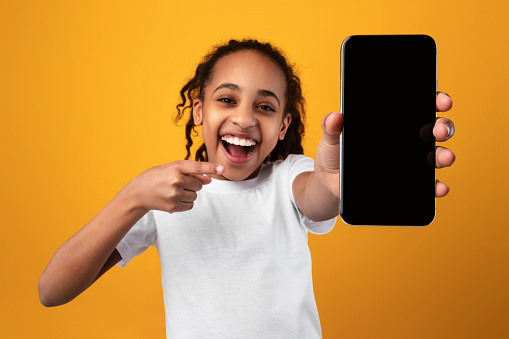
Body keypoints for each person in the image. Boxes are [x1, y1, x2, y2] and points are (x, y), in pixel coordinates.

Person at [38, 39, 456, 338]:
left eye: (265, 107)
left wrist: (333, 184)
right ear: (199, 111)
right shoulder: (164, 195)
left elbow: (316, 195)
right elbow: (52, 291)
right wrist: (132, 198)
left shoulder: (290, 176)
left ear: (283, 127)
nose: (244, 118)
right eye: (227, 100)